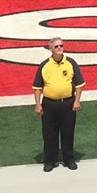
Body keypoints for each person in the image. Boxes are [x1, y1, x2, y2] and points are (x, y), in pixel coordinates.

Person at [33, 38, 85, 171]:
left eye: (61, 45)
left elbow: (79, 84)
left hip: (68, 103)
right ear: (50, 48)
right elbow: (37, 87)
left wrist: (77, 100)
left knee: (68, 132)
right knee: (49, 133)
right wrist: (38, 104)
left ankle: (69, 159)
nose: (59, 48)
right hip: (49, 105)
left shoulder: (70, 63)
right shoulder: (44, 65)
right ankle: (50, 160)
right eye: (56, 46)